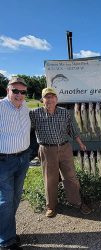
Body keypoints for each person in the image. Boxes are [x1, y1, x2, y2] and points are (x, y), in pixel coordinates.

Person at [29, 87, 92, 218]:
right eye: (47, 97)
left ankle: (77, 203)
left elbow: (72, 130)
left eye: (52, 97)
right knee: (50, 179)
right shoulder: (34, 114)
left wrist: (80, 143)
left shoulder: (64, 113)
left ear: (56, 99)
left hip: (65, 148)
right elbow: (26, 131)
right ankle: (51, 206)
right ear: (42, 100)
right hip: (47, 150)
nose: (50, 99)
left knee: (71, 177)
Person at [0, 77, 30, 250]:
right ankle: (6, 241)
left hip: (23, 159)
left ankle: (6, 230)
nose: (19, 95)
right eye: (15, 91)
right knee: (6, 200)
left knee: (16, 196)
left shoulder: (25, 107)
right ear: (7, 91)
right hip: (4, 161)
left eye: (23, 92)